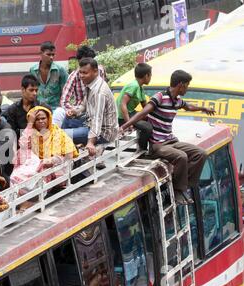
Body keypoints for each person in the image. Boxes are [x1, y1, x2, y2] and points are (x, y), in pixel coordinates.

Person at [120, 70, 215, 204]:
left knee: (201, 154)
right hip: (158, 145)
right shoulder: (160, 97)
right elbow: (142, 113)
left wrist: (203, 109)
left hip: (171, 141)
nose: (187, 89)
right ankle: (177, 191)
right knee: (181, 156)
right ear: (181, 85)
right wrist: (124, 126)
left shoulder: (177, 100)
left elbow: (188, 107)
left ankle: (185, 187)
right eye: (187, 86)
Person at [10, 106, 78, 210]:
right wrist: (30, 124)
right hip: (36, 165)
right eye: (37, 119)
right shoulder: (32, 133)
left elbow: (67, 155)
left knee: (40, 172)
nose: (41, 121)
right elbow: (23, 145)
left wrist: (51, 160)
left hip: (55, 167)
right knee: (23, 152)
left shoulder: (57, 132)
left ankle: (29, 200)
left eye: (43, 118)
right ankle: (21, 193)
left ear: (48, 118)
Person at [68, 58, 119, 154]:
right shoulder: (91, 84)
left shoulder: (99, 92)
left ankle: (70, 156)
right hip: (90, 124)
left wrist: (90, 142)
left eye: (85, 73)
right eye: (80, 72)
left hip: (104, 134)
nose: (81, 76)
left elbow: (97, 119)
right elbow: (84, 106)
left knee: (62, 135)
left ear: (95, 71)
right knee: (66, 120)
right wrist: (75, 111)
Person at [53, 45, 107, 127]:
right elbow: (64, 101)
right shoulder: (74, 76)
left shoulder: (100, 71)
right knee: (59, 112)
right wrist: (72, 111)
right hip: (80, 113)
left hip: (97, 114)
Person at [116, 63, 153, 151]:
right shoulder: (134, 86)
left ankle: (153, 147)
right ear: (146, 76)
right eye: (150, 75)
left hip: (131, 113)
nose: (151, 77)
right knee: (147, 128)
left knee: (151, 120)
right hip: (121, 116)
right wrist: (128, 123)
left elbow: (146, 106)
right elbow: (123, 104)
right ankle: (142, 150)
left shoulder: (140, 88)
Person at [29, 41, 68, 111]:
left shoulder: (60, 70)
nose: (51, 57)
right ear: (41, 53)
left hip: (55, 109)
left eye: (53, 55)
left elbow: (66, 91)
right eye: (48, 54)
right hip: (38, 108)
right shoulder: (33, 71)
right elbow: (30, 91)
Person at [4, 74, 39, 140]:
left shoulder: (41, 108)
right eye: (31, 90)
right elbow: (11, 134)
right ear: (23, 89)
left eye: (36, 90)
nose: (35, 93)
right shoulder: (12, 110)